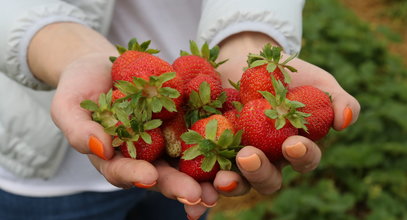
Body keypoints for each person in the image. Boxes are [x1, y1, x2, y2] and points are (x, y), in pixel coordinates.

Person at [0, 0, 360, 219]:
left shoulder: (211, 111)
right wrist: (66, 51)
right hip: (41, 175)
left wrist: (250, 35)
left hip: (192, 155)